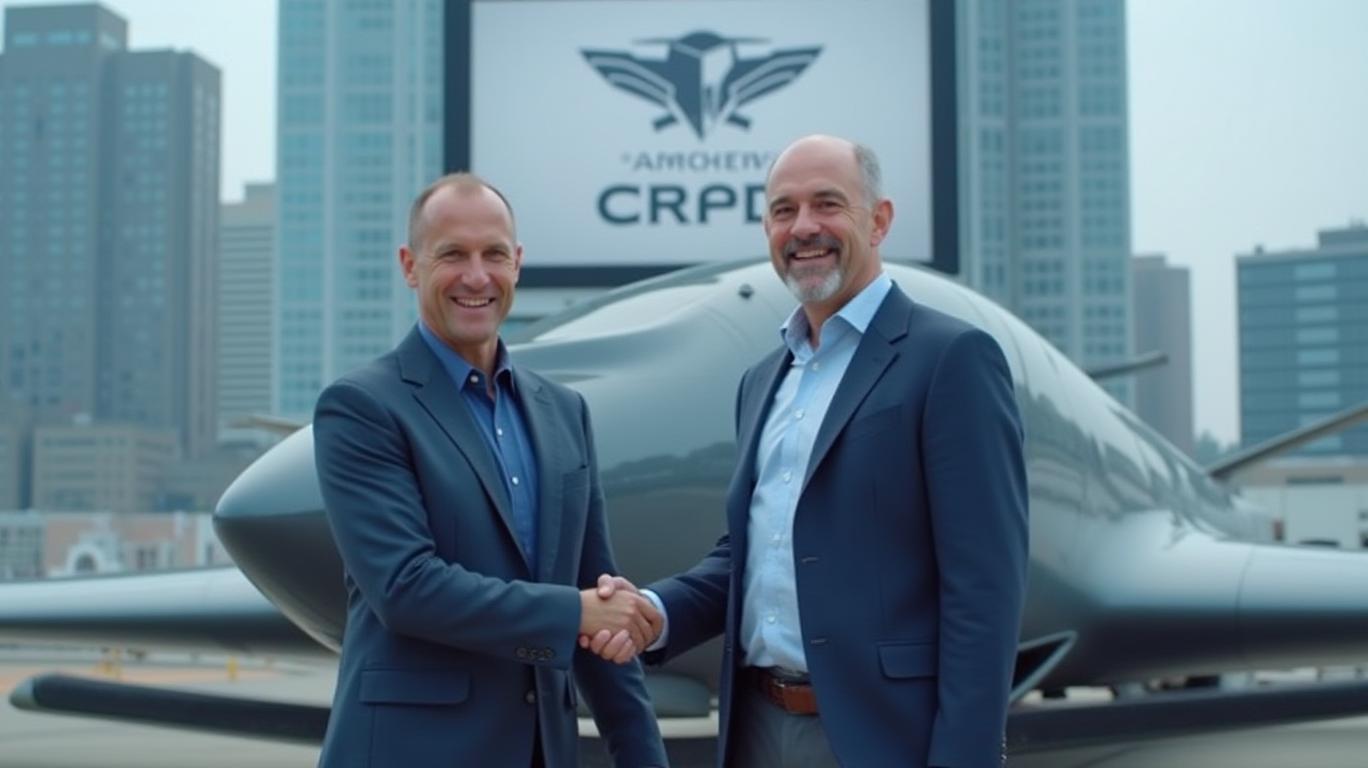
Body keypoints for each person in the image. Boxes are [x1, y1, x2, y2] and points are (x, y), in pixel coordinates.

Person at [587, 135, 1028, 767]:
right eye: (783, 210)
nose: (803, 227)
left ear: (878, 221)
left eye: (827, 204)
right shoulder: (763, 380)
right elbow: (751, 555)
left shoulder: (950, 360)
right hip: (757, 729)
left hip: (883, 740)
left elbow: (983, 589)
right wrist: (655, 612)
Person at [314, 173, 668, 768]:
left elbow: (600, 597)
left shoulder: (565, 413)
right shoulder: (361, 407)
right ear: (410, 266)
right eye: (453, 254)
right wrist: (575, 612)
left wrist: (643, 757)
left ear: (517, 263)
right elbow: (405, 587)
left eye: (494, 255)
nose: (476, 277)